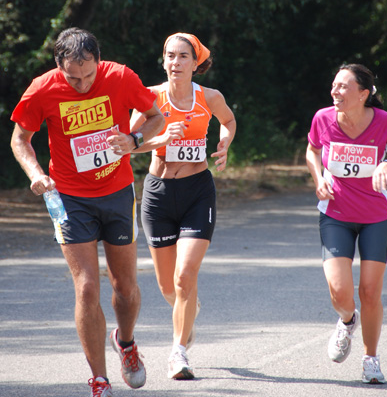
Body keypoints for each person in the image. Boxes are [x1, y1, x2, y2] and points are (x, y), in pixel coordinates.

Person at [10, 27, 165, 397]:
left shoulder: (120, 77)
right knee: (87, 287)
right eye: (72, 77)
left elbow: (154, 116)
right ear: (58, 67)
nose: (81, 84)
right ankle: (99, 379)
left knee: (124, 288)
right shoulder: (42, 88)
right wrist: (36, 174)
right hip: (69, 197)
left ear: (99, 60)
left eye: (88, 75)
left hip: (116, 192)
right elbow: (20, 139)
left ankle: (125, 343)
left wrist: (134, 140)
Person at [117, 32, 236, 380]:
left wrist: (225, 141)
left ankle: (178, 352)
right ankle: (188, 311)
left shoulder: (210, 97)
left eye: (183, 57)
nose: (175, 63)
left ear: (195, 63)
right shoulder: (151, 98)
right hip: (158, 194)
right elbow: (126, 144)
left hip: (198, 191)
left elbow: (228, 121)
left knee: (185, 275)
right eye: (170, 56)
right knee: (169, 287)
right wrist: (159, 139)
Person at [306, 63, 387, 384]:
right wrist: (319, 177)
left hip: (376, 216)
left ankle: (370, 358)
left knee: (371, 291)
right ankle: (347, 321)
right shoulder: (323, 118)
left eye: (344, 86)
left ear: (363, 94)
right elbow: (312, 150)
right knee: (339, 291)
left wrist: (386, 164)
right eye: (334, 85)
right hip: (335, 214)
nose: (336, 91)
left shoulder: (384, 122)